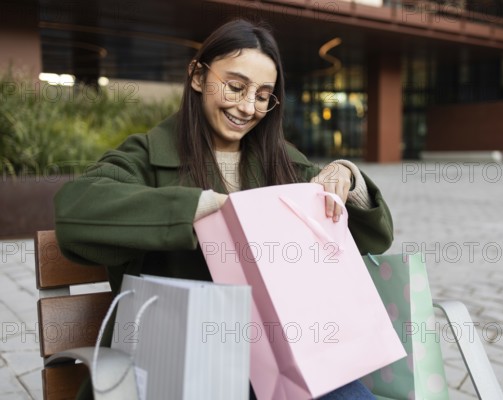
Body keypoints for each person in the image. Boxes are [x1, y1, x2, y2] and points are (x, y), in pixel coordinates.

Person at [54, 19, 393, 400]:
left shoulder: (285, 162)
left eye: (263, 95)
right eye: (236, 87)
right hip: (180, 359)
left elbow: (372, 238)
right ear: (198, 76)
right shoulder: (147, 156)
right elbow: (75, 211)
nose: (247, 107)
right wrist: (199, 208)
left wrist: (347, 176)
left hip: (287, 355)